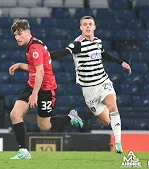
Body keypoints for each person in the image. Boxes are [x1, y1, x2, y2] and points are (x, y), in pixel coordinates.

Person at [50, 16, 132, 154]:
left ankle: (118, 143)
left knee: (113, 106)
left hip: (103, 82)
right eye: (85, 24)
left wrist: (121, 63)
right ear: (81, 28)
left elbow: (103, 53)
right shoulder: (77, 44)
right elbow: (63, 52)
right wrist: (45, 55)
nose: (88, 26)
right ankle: (74, 116)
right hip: (89, 89)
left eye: (90, 24)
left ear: (94, 27)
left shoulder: (98, 41)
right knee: (106, 121)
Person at [8, 19, 83, 159]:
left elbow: (40, 72)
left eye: (19, 34)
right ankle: (23, 151)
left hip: (46, 89)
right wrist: (20, 65)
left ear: (28, 32)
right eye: (15, 35)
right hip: (32, 84)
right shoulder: (32, 45)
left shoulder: (34, 48)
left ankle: (70, 117)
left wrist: (35, 94)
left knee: (44, 126)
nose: (17, 37)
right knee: (15, 114)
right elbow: (36, 68)